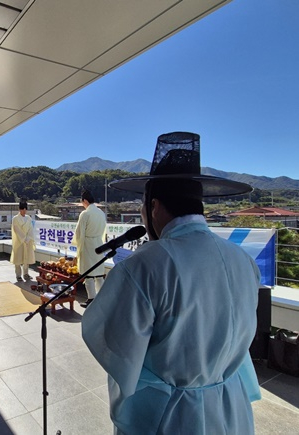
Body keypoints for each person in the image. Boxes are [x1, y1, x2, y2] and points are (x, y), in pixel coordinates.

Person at [82, 132, 261, 434]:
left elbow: (115, 344)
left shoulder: (144, 266)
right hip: (230, 408)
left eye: (143, 207)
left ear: (153, 206)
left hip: (170, 415)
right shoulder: (243, 259)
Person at [73, 189, 106, 308]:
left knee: (88, 274)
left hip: (88, 244)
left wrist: (78, 249)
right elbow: (104, 230)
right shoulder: (101, 213)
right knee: (98, 273)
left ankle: (91, 298)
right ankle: (102, 297)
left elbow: (79, 233)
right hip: (99, 243)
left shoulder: (85, 214)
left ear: (85, 201)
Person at [10, 200, 35, 281]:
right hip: (19, 241)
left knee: (26, 258)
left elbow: (31, 229)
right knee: (18, 259)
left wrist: (28, 238)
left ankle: (26, 274)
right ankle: (18, 275)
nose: (24, 211)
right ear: (19, 209)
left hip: (27, 241)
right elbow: (16, 229)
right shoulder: (15, 218)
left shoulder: (28, 218)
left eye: (25, 209)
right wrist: (24, 238)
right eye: (22, 209)